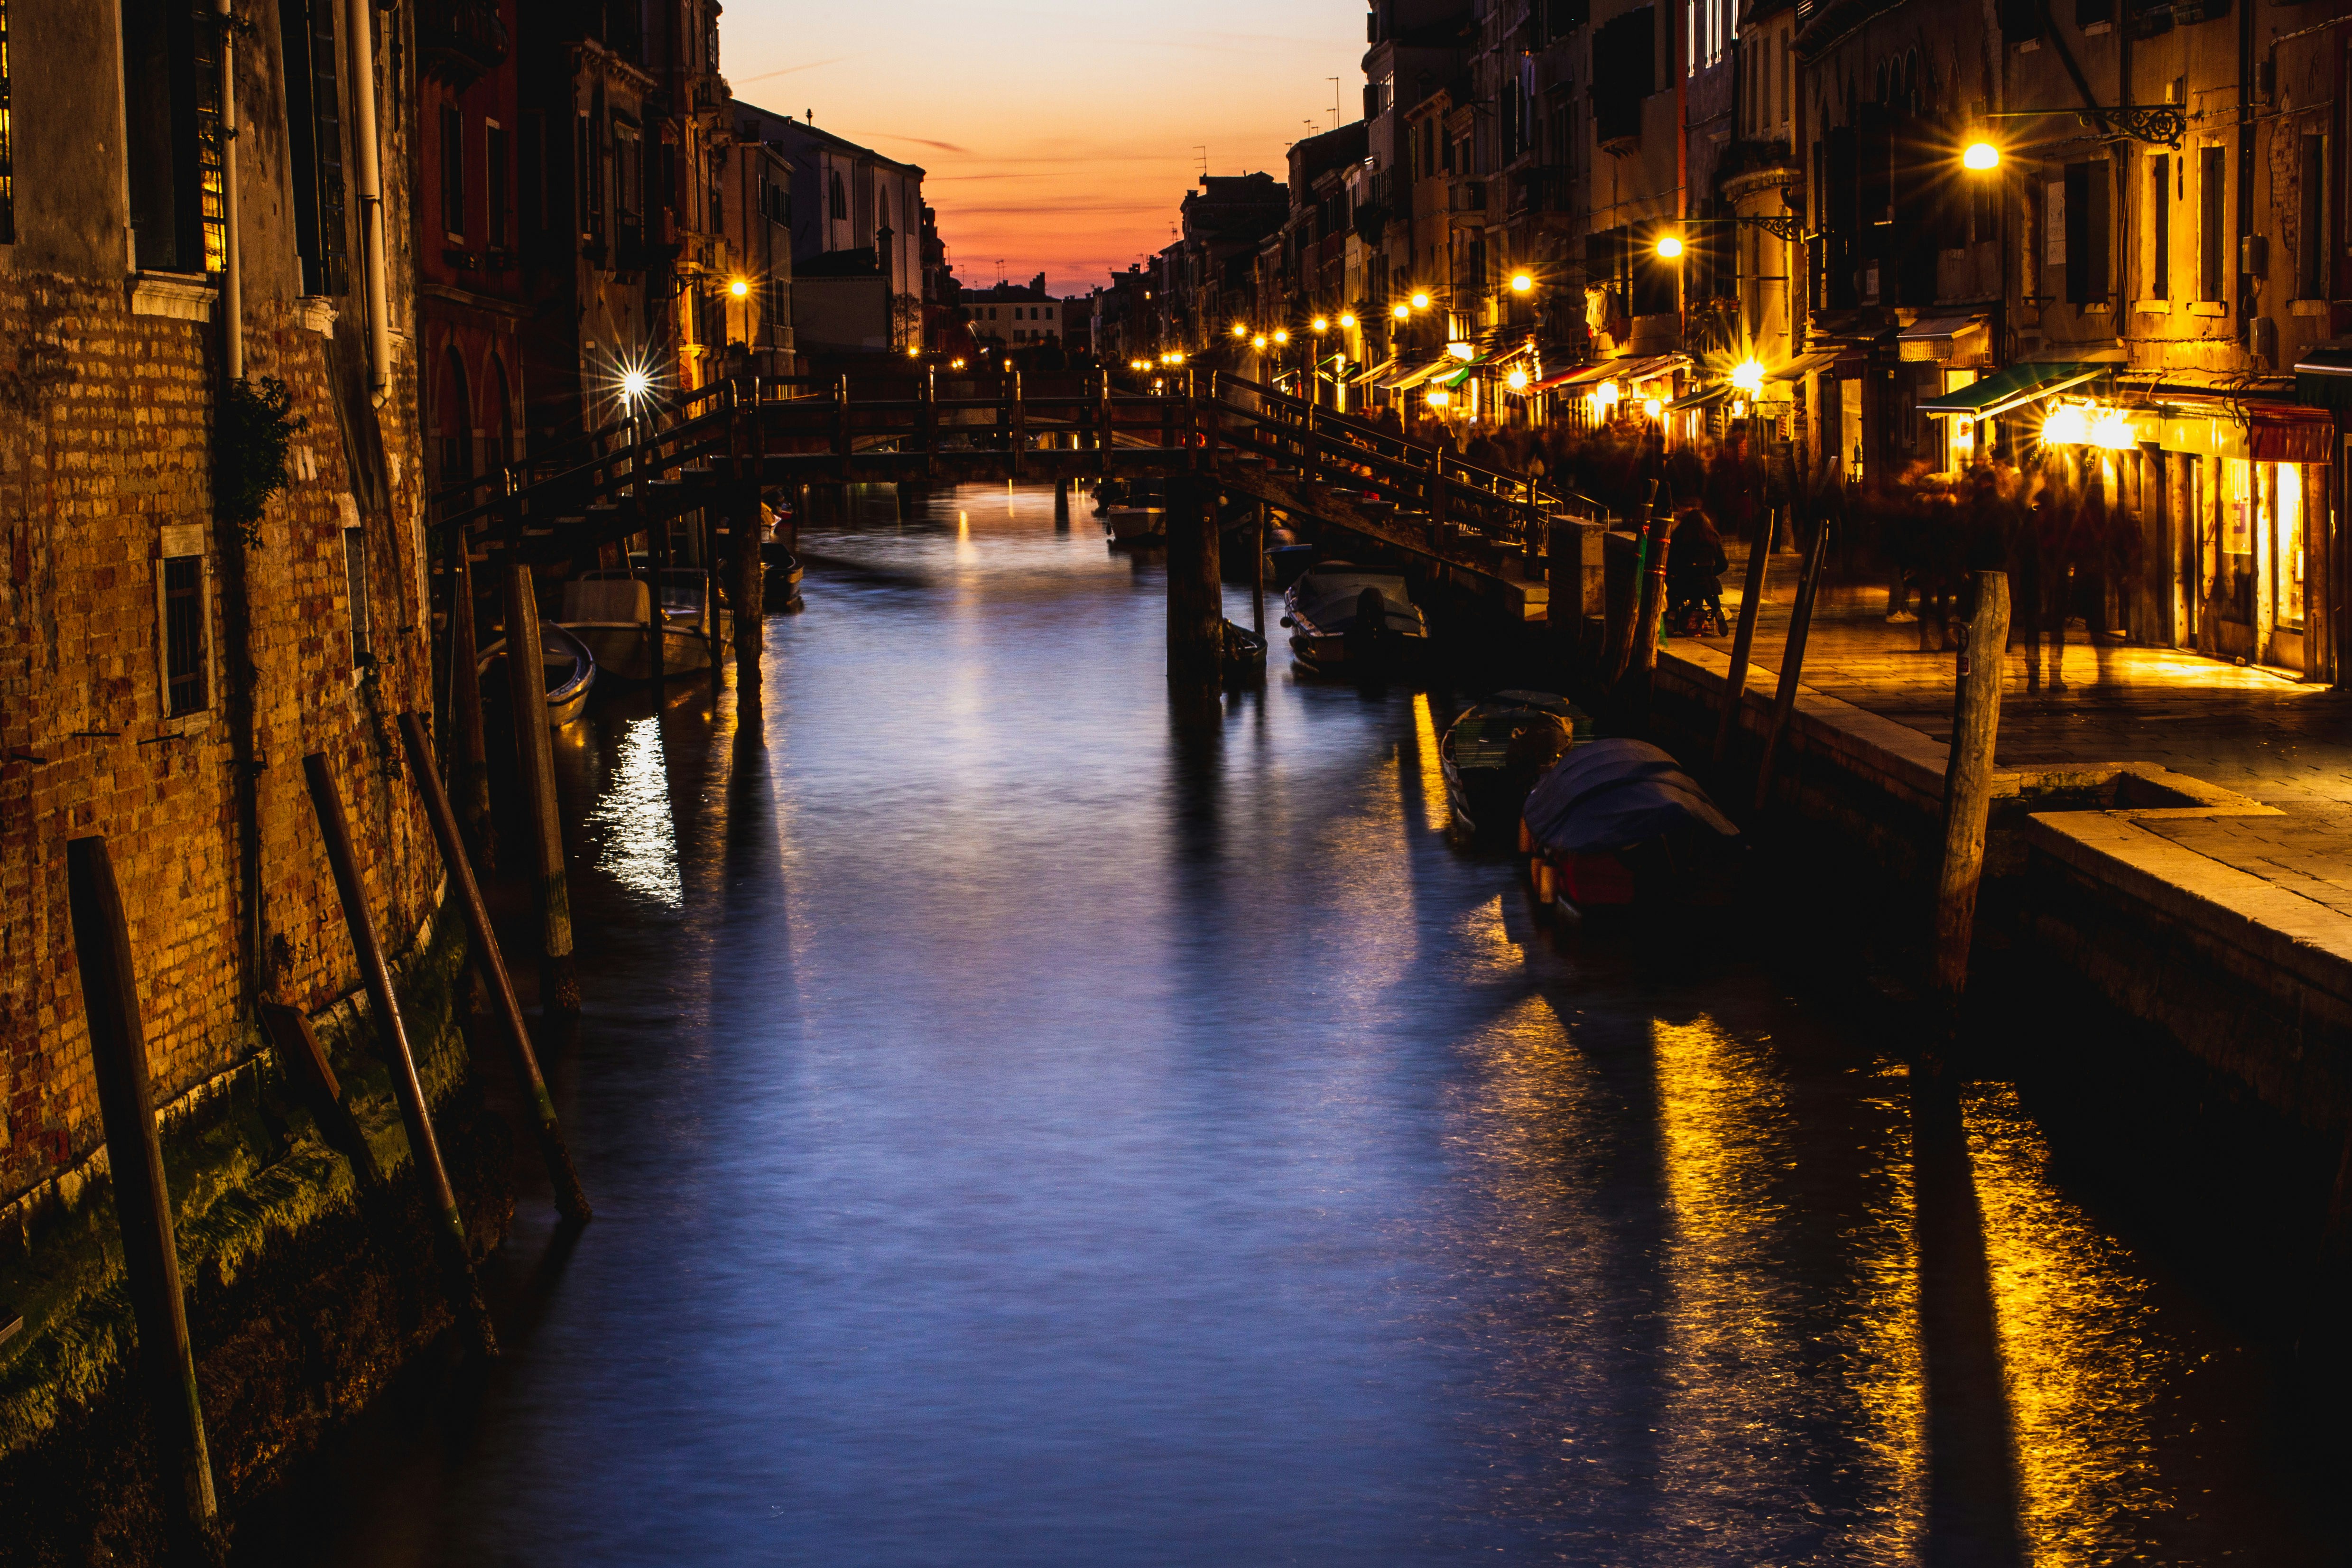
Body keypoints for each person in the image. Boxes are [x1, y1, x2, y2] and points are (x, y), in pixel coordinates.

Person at [1666, 503, 1730, 634]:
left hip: (1683, 583)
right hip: (1706, 583)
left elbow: (1671, 562)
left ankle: (1672, 616)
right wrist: (1710, 573)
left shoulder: (1679, 537)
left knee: (1673, 590)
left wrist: (1676, 574)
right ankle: (1718, 613)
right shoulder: (1712, 538)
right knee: (1711, 590)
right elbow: (1724, 564)